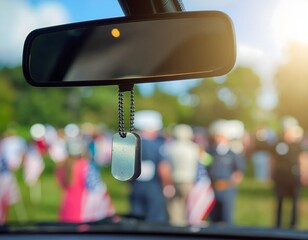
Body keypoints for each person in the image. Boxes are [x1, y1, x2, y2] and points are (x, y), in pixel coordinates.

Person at [56, 129, 114, 223]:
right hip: (83, 209)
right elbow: (98, 188)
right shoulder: (85, 166)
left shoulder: (61, 166)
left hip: (66, 206)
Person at [129, 110, 174, 222]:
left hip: (136, 187)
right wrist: (168, 184)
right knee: (155, 220)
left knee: (137, 218)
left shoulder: (131, 143)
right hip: (153, 186)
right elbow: (163, 167)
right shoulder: (157, 144)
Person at [207, 120, 245, 225]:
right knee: (213, 218)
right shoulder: (210, 152)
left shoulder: (233, 153)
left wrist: (232, 181)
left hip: (227, 189)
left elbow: (239, 171)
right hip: (213, 188)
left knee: (226, 218)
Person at [163, 124, 201, 225]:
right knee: (187, 205)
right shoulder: (193, 148)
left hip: (173, 178)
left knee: (174, 205)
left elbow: (166, 164)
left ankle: (176, 225)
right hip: (188, 180)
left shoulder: (169, 147)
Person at [271, 117, 303, 228]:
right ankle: (278, 223)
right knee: (280, 200)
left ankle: (293, 224)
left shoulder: (298, 145)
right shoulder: (278, 144)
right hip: (281, 176)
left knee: (295, 201)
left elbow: (302, 159)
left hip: (294, 176)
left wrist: (304, 174)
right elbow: (273, 159)